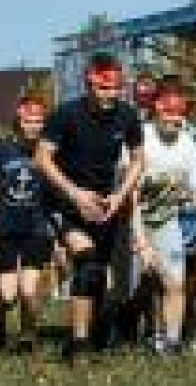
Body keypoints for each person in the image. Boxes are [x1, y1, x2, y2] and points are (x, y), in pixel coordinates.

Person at [33, 53, 146, 361]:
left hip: (103, 205)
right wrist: (75, 194)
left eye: (115, 88)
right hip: (64, 202)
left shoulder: (127, 115)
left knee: (100, 280)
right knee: (87, 263)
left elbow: (139, 160)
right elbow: (41, 158)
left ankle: (95, 333)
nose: (110, 94)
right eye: (103, 88)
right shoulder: (66, 114)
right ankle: (78, 344)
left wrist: (120, 196)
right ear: (89, 83)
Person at [131, 91, 196, 356]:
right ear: (156, 111)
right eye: (169, 113)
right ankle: (120, 331)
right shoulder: (141, 139)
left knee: (174, 282)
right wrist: (141, 241)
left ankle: (171, 342)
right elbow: (130, 194)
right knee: (134, 287)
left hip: (166, 220)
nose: (175, 119)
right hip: (130, 219)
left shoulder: (189, 144)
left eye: (180, 114)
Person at [0, 96, 54, 354]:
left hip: (36, 228)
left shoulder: (49, 152)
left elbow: (55, 193)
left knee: (28, 291)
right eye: (28, 121)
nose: (33, 126)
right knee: (9, 296)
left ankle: (27, 338)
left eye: (39, 121)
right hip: (5, 230)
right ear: (18, 121)